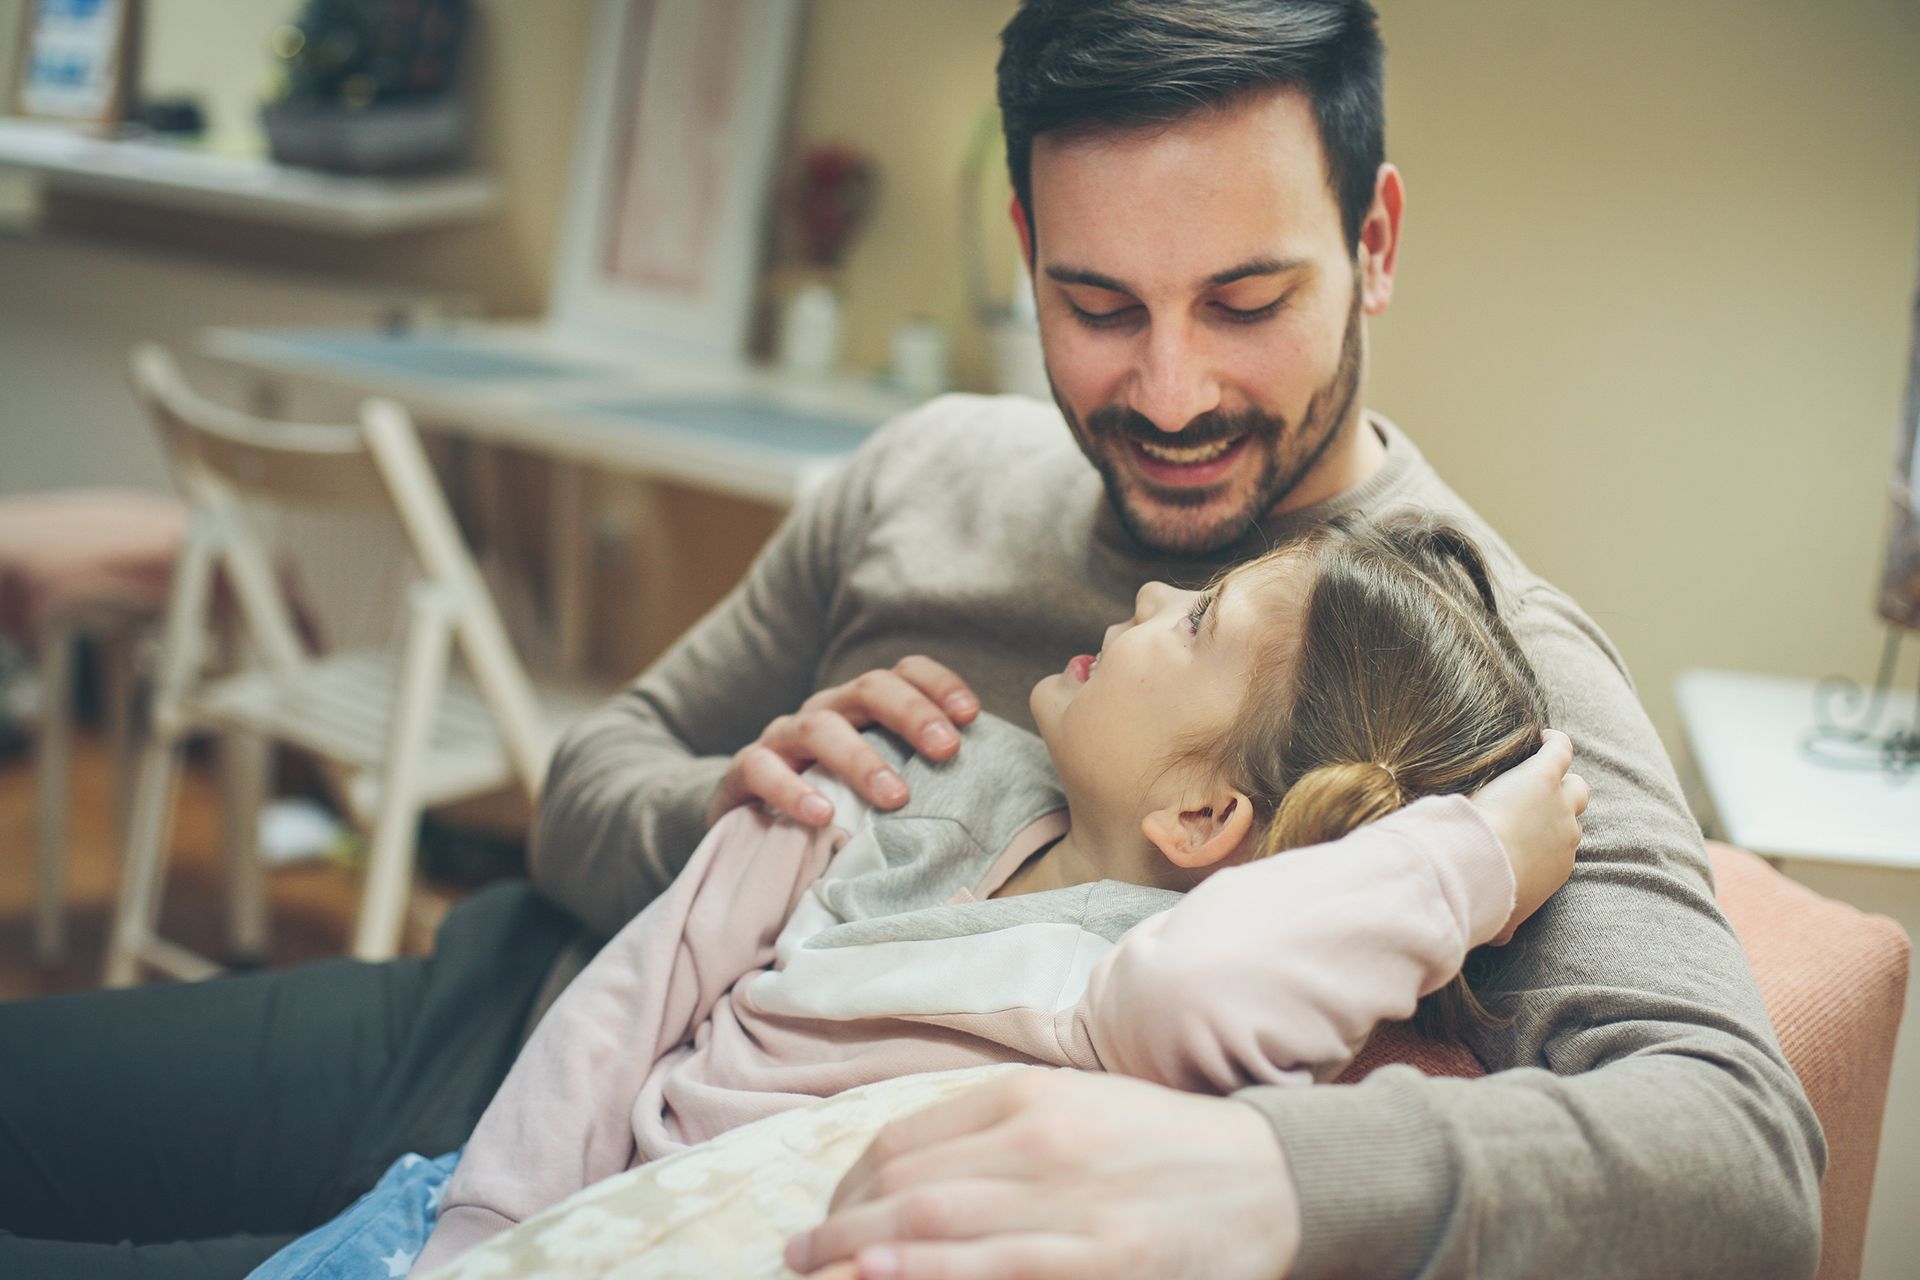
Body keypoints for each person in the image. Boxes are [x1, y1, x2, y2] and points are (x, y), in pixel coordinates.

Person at [0, 2, 1822, 1278]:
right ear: (1023, 245)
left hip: (676, 1206)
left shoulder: (1455, 666)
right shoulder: (925, 472)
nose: (1171, 390)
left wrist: (1260, 1178)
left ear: (1377, 240)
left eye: (1248, 300)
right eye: (1097, 303)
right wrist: (728, 799)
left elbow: (1738, 1160)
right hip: (502, 1015)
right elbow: (587, 773)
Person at [246, 518, 1585, 1279]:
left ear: (1202, 818)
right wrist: (480, 1234)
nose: (1153, 592)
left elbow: (1193, 985)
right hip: (475, 1218)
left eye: (1198, 622)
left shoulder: (1163, 989)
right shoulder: (900, 768)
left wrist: (1475, 857)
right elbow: (635, 996)